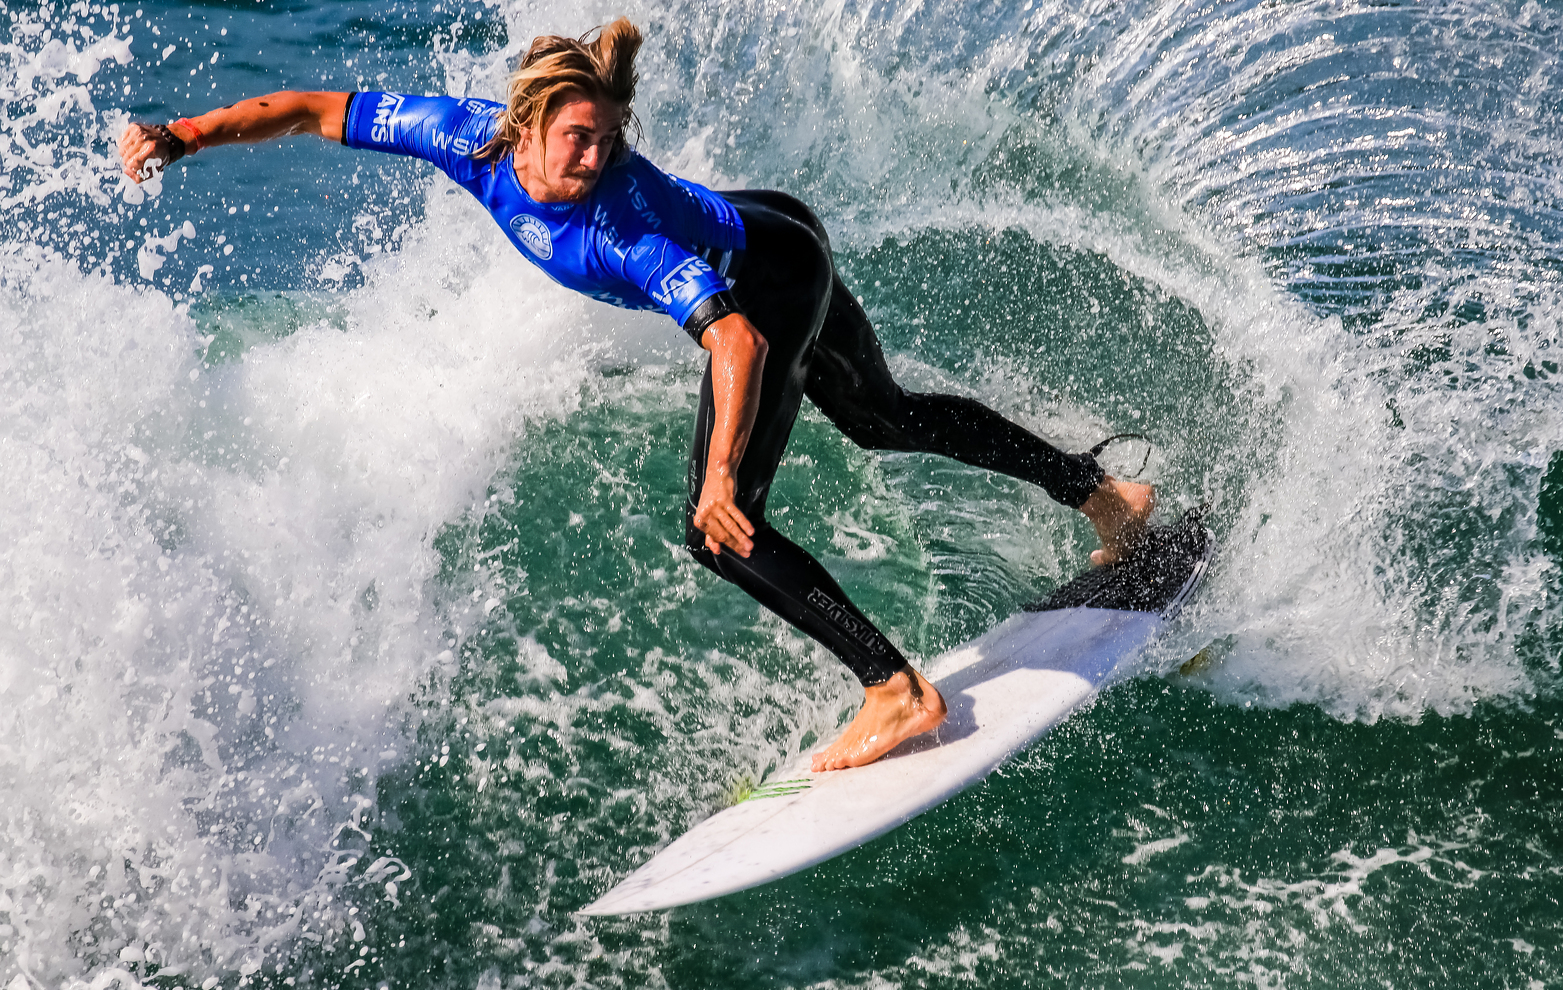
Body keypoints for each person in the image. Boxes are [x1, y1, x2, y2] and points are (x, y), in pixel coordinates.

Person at [119, 19, 1154, 772]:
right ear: (523, 125)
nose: (596, 155)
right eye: (578, 138)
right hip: (774, 226)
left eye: (610, 139)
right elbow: (312, 109)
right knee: (887, 420)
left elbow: (737, 338)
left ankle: (895, 688)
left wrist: (721, 477)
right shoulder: (461, 134)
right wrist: (183, 134)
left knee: (722, 529)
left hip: (768, 275)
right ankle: (1104, 495)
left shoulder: (621, 226)